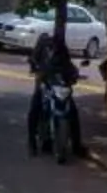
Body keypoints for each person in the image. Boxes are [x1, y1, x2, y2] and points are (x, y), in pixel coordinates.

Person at [27, 23, 85, 160]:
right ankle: (31, 142)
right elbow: (33, 60)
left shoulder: (63, 50)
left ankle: (77, 145)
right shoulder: (43, 45)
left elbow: (69, 66)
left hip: (60, 87)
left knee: (73, 112)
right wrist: (36, 69)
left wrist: (74, 75)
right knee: (35, 108)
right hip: (45, 85)